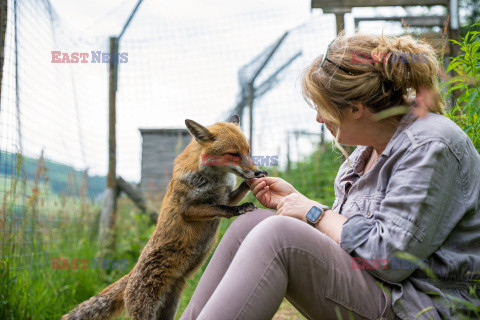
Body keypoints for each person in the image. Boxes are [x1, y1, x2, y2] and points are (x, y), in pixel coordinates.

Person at [179, 33, 480, 320]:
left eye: (321, 107)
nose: (318, 118)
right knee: (251, 223)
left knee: (278, 236)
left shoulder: (429, 145)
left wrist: (312, 212)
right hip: (380, 290)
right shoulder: (360, 159)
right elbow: (346, 240)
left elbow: (389, 260)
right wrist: (298, 204)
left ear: (355, 108)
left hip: (418, 305)